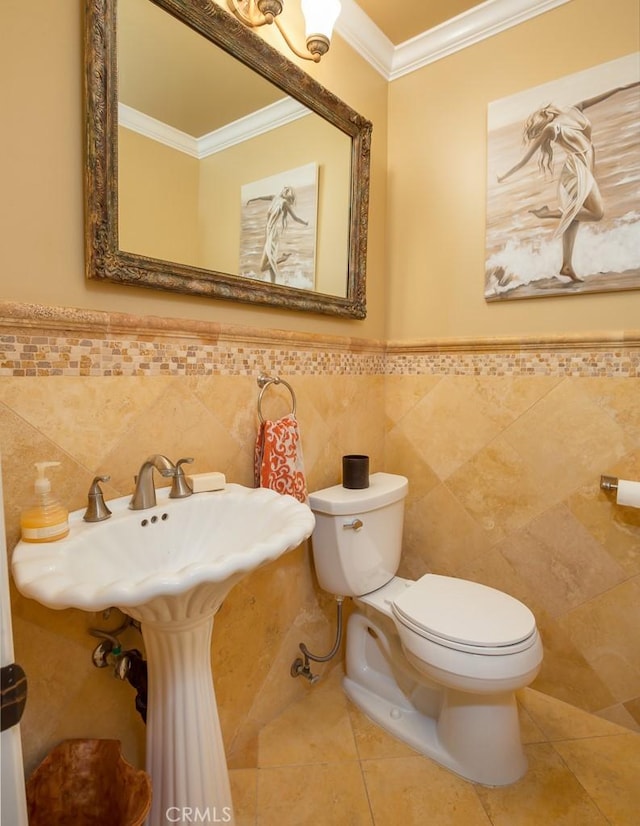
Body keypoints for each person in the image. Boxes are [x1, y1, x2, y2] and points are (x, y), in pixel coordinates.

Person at [497, 82, 639, 282]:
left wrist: (624, 87)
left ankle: (566, 265)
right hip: (576, 171)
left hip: (585, 169)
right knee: (597, 213)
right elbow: (525, 159)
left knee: (576, 217)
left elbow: (605, 95)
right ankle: (549, 214)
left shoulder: (575, 108)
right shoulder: (551, 128)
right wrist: (504, 176)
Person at [247, 186, 309, 283]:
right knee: (269, 261)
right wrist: (251, 199)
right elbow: (261, 198)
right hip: (268, 233)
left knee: (263, 267)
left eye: (287, 190)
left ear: (288, 194)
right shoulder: (274, 197)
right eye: (285, 189)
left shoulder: (284, 203)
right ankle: (273, 284)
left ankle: (282, 259)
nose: (285, 189)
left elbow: (295, 218)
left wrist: (305, 223)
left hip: (273, 235)